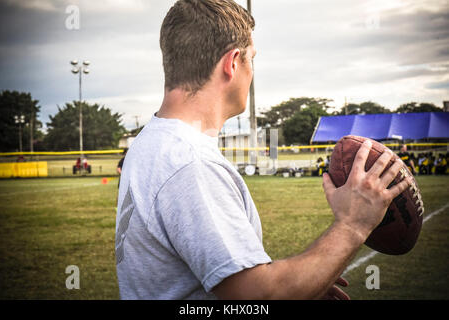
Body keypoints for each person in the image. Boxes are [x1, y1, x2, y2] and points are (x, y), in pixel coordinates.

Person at [115, 0, 412, 300]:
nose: (252, 69)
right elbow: (257, 296)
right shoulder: (190, 162)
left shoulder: (150, 142)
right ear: (232, 63)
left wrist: (302, 285)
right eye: (251, 58)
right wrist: (353, 225)